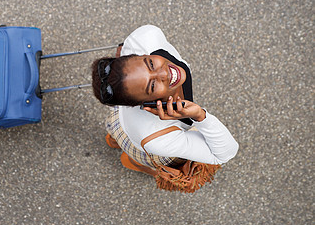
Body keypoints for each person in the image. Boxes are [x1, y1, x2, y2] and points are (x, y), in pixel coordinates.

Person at [91, 25, 239, 177]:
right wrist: (200, 116)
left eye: (151, 64)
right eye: (153, 86)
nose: (164, 73)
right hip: (148, 142)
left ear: (141, 53)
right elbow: (224, 153)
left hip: (119, 119)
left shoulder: (146, 37)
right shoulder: (159, 138)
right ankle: (134, 162)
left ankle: (114, 140)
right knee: (179, 166)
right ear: (143, 104)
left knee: (117, 129)